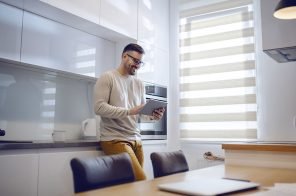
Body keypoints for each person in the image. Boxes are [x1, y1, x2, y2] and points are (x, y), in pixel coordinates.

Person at [94, 43, 165, 181]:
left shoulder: (139, 83)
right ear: (124, 56)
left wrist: (153, 117)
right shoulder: (108, 77)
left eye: (140, 62)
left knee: (132, 187)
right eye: (135, 61)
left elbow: (141, 114)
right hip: (114, 139)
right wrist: (130, 111)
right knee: (141, 181)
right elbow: (99, 108)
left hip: (136, 139)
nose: (137, 65)